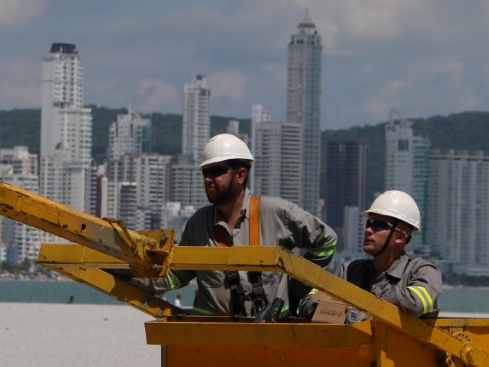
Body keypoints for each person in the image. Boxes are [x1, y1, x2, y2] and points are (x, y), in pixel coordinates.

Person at [141, 134, 337, 318]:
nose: (208, 179)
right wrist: (131, 276)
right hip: (211, 340)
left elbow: (326, 241)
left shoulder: (275, 213)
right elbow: (175, 275)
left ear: (241, 175)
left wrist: (296, 289)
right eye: (205, 172)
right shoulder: (198, 224)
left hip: (270, 337)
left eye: (216, 171)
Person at [313, 190, 440, 320]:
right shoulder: (350, 271)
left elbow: (414, 304)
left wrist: (356, 309)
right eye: (369, 223)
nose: (368, 230)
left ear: (400, 237)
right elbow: (311, 304)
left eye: (379, 225)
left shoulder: (423, 271)